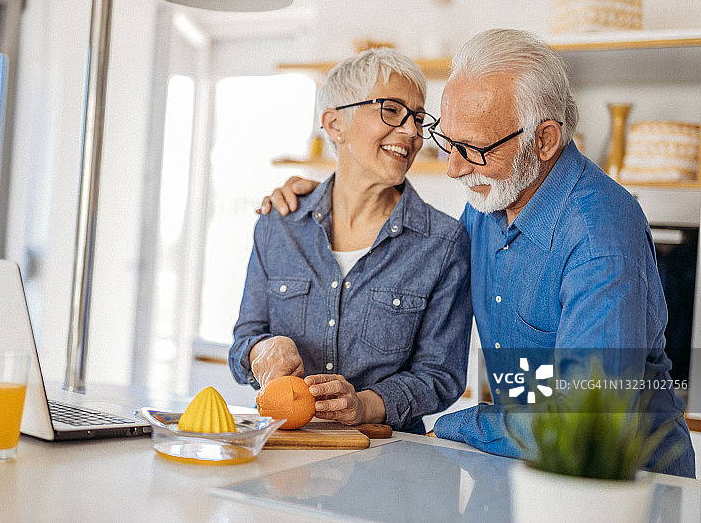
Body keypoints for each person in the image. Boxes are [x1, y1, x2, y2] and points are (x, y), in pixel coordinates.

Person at [260, 29, 695, 477]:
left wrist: (460, 424)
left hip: (627, 482)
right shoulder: (489, 205)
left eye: (473, 150)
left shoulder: (601, 234)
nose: (453, 169)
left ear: (544, 140)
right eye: (449, 142)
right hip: (529, 466)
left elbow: (587, 419)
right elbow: (419, 248)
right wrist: (327, 199)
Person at [229, 47, 472, 434]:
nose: (411, 132)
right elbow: (245, 339)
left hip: (387, 467)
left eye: (418, 117)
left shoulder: (443, 242)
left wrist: (363, 405)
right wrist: (264, 351)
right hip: (287, 453)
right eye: (391, 110)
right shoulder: (279, 224)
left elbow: (439, 376)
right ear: (335, 124)